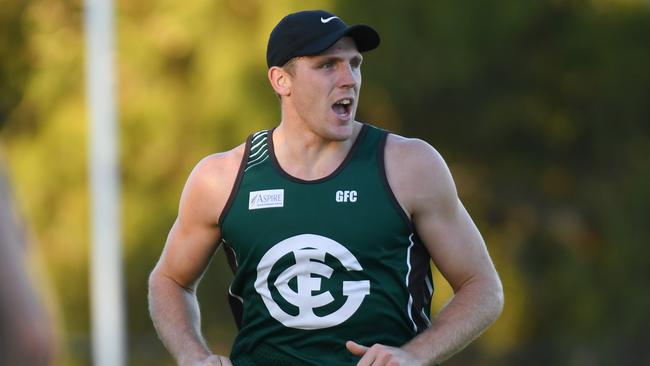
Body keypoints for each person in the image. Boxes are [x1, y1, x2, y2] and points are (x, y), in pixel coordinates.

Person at [148, 9, 503, 366]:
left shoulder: (410, 165)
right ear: (281, 80)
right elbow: (169, 281)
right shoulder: (221, 179)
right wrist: (194, 357)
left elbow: (482, 287)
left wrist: (414, 355)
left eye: (355, 63)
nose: (349, 79)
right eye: (327, 65)